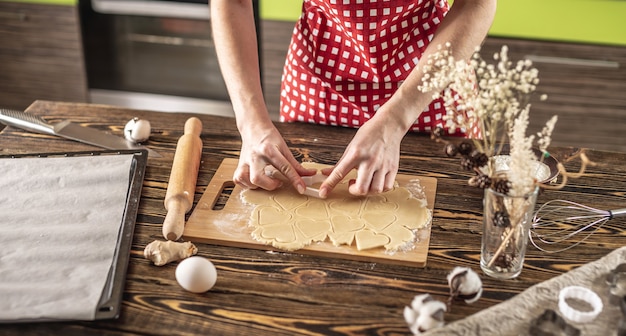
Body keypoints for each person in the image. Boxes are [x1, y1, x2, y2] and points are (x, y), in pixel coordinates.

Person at [211, 0, 496, 198]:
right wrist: (251, 124)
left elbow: (476, 4)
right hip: (318, 82)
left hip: (429, 80)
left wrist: (397, 117)